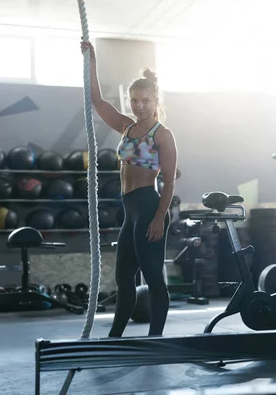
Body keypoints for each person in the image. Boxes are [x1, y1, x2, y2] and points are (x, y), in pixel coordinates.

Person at [80, 40, 178, 337]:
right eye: (134, 101)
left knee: (152, 277)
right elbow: (96, 101)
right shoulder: (126, 127)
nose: (139, 106)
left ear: (155, 100)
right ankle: (115, 337)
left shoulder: (162, 134)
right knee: (124, 278)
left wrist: (160, 217)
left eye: (145, 101)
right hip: (130, 213)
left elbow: (170, 180)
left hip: (150, 208)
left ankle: (155, 338)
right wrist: (92, 61)